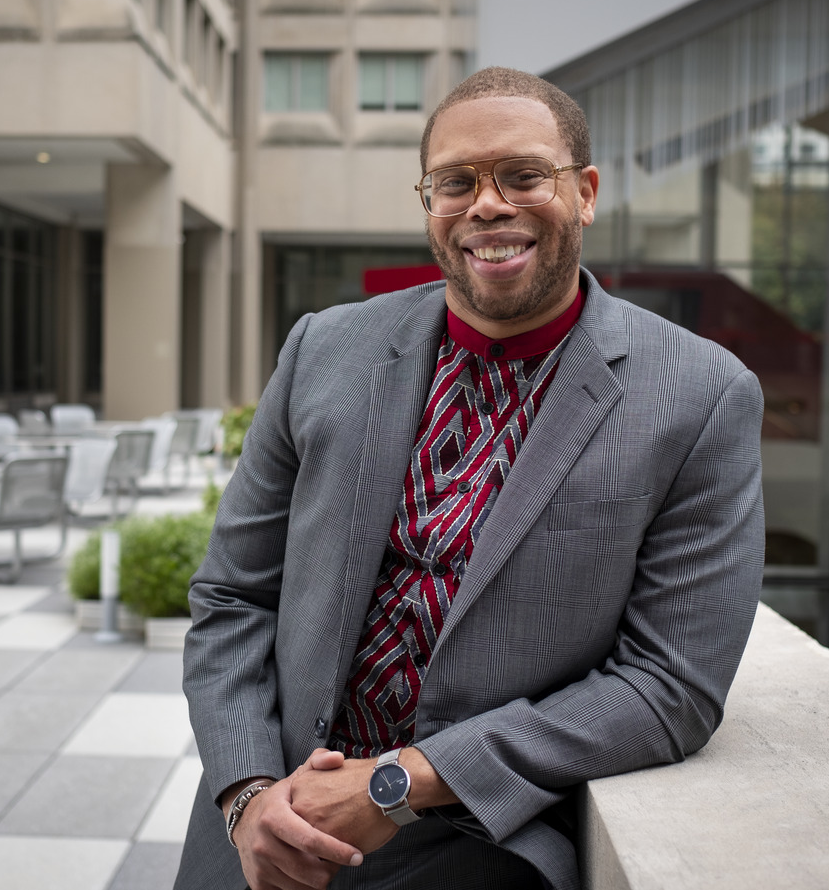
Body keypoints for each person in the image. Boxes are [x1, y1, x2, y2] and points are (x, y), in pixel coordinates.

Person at [177, 66, 765, 890]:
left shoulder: (701, 395)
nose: (487, 204)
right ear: (429, 203)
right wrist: (245, 794)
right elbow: (232, 596)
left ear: (586, 192)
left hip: (477, 843)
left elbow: (672, 685)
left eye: (523, 175)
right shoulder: (321, 350)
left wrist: (399, 783)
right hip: (266, 833)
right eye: (455, 182)